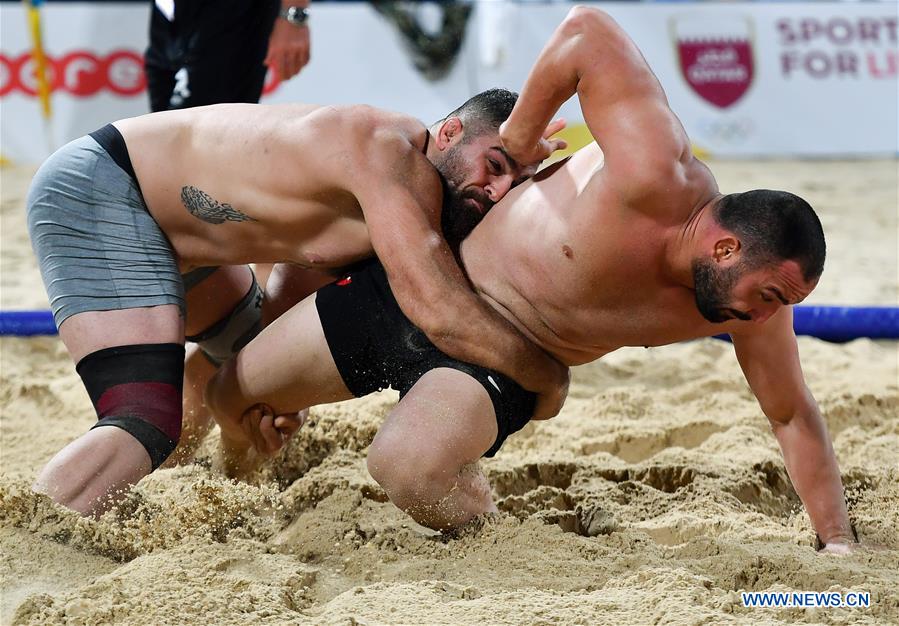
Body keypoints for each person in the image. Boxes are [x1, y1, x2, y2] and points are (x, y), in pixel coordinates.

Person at [205, 6, 857, 555]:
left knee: (405, 467)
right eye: (769, 294)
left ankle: (485, 533)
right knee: (231, 395)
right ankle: (240, 512)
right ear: (724, 246)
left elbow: (791, 414)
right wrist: (516, 141)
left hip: (501, 364)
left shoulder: (744, 308)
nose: (764, 313)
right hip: (425, 289)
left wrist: (837, 544)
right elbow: (586, 31)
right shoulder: (657, 174)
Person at [25, 90, 571, 517]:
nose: (496, 192)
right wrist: (546, 378)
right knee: (142, 418)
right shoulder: (389, 154)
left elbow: (290, 288)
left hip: (174, 234)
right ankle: (33, 532)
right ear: (449, 132)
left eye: (515, 184)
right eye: (495, 165)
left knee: (235, 359)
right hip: (103, 189)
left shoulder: (398, 195)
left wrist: (270, 396)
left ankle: (195, 483)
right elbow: (441, 312)